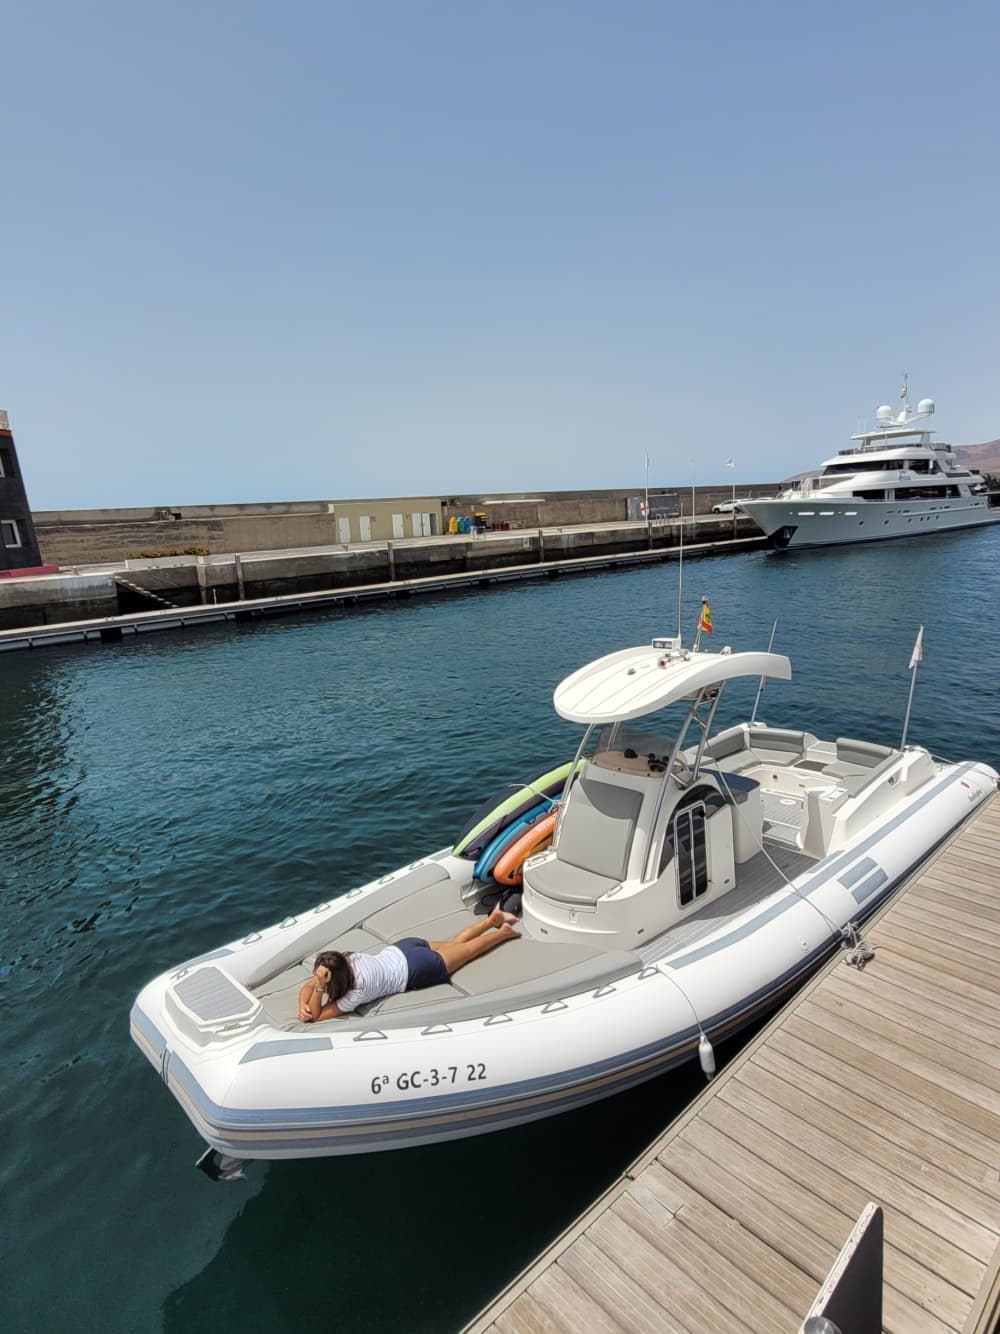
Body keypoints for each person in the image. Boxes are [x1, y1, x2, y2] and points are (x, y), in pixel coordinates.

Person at [298, 908, 520, 1022]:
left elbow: (316, 1015)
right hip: (402, 948)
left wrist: (318, 988)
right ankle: (490, 921)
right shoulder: (348, 959)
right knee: (455, 944)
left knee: (469, 951)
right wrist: (302, 1004)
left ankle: (503, 932)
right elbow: (308, 987)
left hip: (416, 969)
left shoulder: (355, 993)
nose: (317, 979)